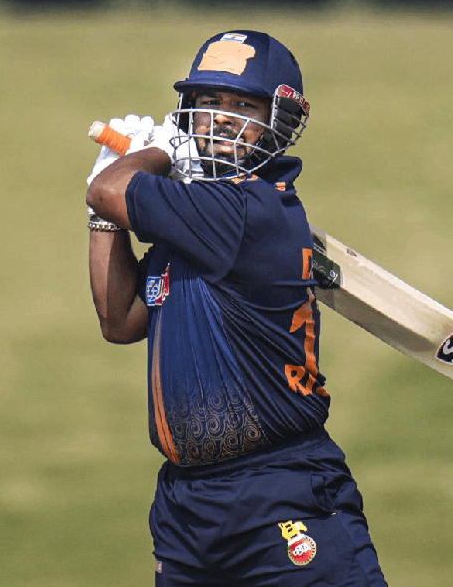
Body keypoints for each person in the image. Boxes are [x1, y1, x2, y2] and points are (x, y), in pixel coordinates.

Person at [85, 30, 388, 587]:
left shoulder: (248, 211)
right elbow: (119, 320)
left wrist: (149, 157)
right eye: (209, 102)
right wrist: (105, 218)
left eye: (244, 107)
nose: (221, 120)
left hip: (279, 491)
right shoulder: (193, 221)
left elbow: (108, 191)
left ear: (279, 123)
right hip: (186, 510)